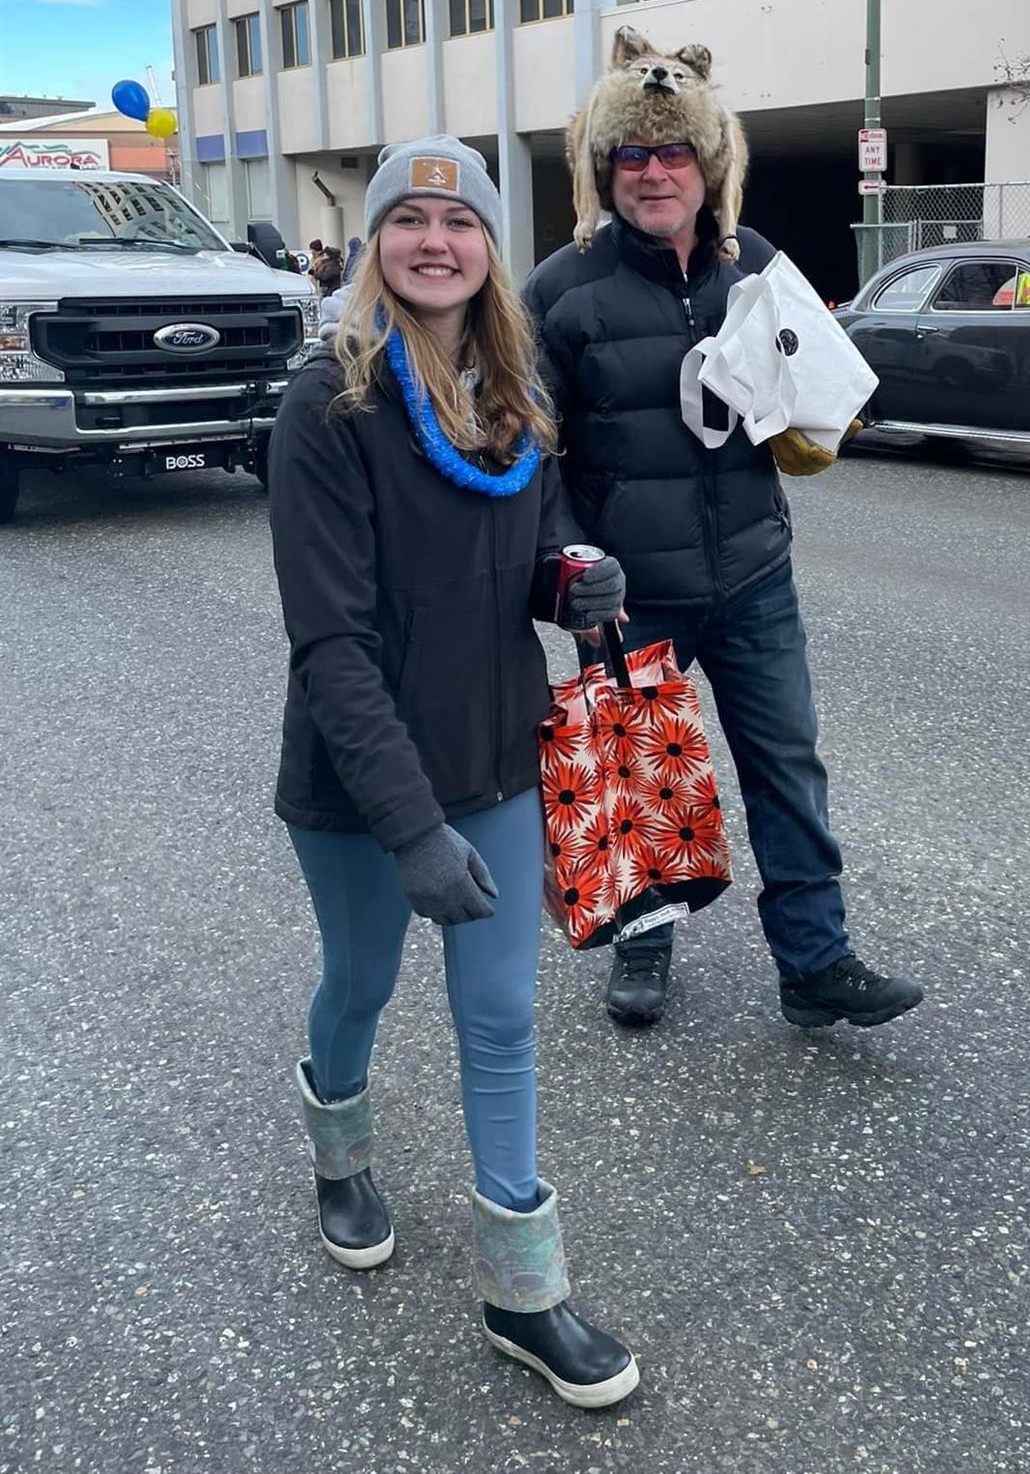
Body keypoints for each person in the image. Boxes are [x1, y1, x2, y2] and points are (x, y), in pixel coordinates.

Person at [268, 135, 638, 1410]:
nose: (437, 240)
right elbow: (331, 643)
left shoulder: (511, 395)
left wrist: (573, 578)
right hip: (365, 786)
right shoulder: (327, 405)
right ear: (375, 246)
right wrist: (411, 829)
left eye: (462, 221)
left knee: (499, 1019)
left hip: (497, 760)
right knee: (361, 983)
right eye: (410, 219)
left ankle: (524, 1293)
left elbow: (535, 541)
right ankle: (338, 1145)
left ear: (490, 247)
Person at [525, 62, 925, 1035]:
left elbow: (807, 389)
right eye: (631, 153)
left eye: (673, 151)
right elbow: (530, 456)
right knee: (639, 778)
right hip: (626, 592)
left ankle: (815, 960)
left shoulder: (755, 264)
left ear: (708, 165)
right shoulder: (560, 291)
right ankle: (644, 943)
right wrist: (573, 562)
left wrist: (830, 413)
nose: (653, 172)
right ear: (603, 169)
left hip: (751, 574)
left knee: (787, 766)